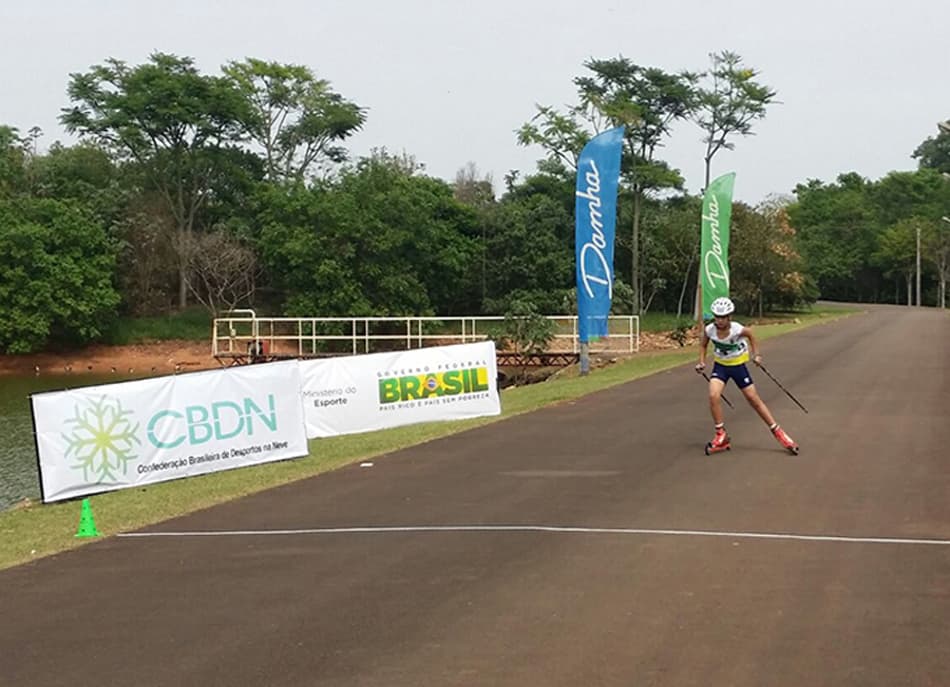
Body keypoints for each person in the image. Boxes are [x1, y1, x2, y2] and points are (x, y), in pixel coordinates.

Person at [694, 296, 798, 454]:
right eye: (717, 317)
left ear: (729, 316)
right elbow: (703, 345)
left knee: (753, 399)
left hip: (738, 367)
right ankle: (721, 434)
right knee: (713, 395)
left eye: (723, 317)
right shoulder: (710, 330)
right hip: (720, 367)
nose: (719, 321)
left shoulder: (737, 329)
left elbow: (751, 335)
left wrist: (757, 355)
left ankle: (778, 432)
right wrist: (701, 362)